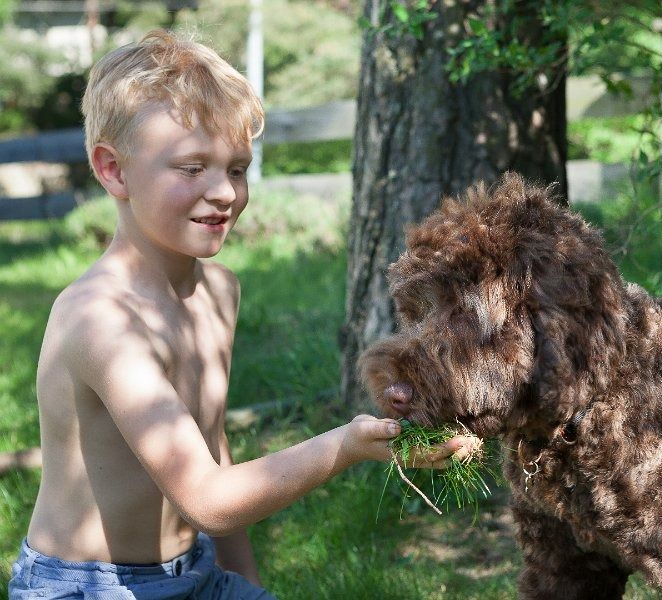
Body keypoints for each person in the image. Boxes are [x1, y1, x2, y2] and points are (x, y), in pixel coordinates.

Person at [8, 30, 466, 599]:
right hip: (91, 587)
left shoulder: (219, 290)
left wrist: (244, 584)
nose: (224, 191)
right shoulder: (102, 321)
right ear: (114, 171)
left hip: (197, 570)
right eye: (192, 167)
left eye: (238, 169)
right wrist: (347, 446)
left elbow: (211, 442)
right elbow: (208, 498)